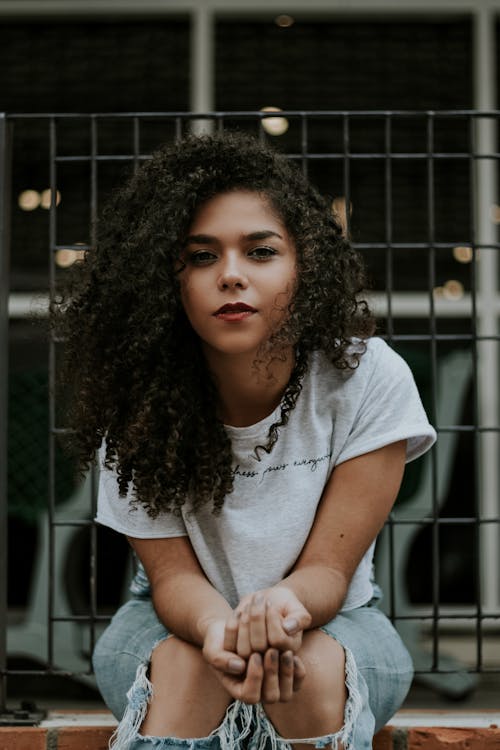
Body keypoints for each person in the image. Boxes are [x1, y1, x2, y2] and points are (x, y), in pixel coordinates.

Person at [54, 131, 436, 750]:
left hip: (338, 618)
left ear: (303, 265)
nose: (231, 275)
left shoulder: (366, 377)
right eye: (201, 256)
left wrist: (278, 612)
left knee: (304, 672)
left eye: (260, 252)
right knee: (188, 669)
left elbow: (328, 571)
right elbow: (173, 581)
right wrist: (218, 630)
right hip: (170, 620)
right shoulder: (139, 399)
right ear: (166, 279)